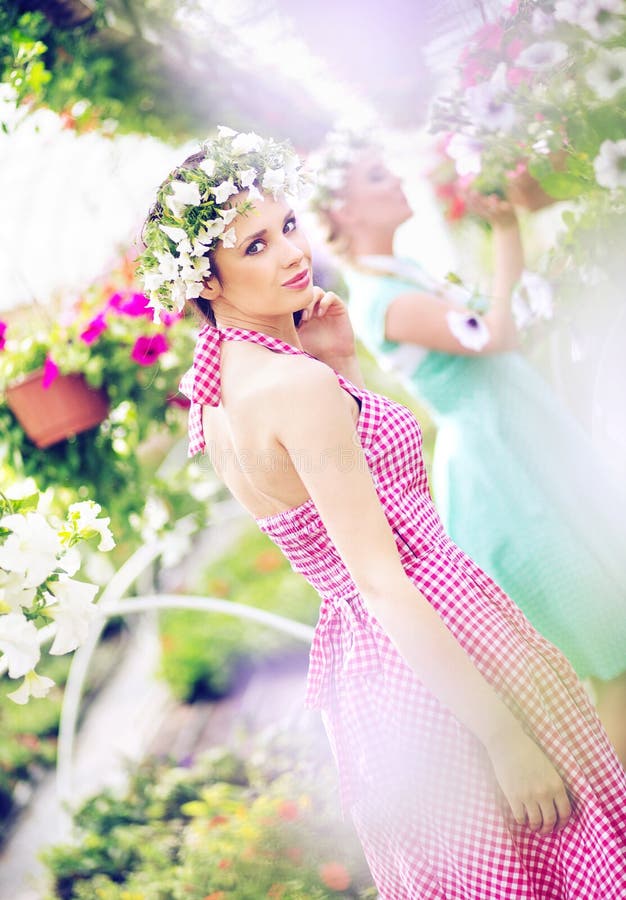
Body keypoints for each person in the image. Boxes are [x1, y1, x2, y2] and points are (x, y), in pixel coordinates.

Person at [139, 128, 626, 900]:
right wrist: (503, 737)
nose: (290, 253)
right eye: (255, 245)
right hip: (436, 642)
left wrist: (341, 367)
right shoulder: (290, 389)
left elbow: (338, 518)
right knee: (564, 862)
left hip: (371, 671)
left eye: (289, 226)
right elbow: (382, 576)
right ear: (207, 276)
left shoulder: (227, 391)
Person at [310, 131, 626, 766]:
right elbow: (497, 334)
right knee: (608, 653)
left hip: (530, 448)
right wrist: (505, 233)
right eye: (377, 176)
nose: (397, 181)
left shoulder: (402, 274)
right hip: (507, 478)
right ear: (345, 210)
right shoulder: (384, 299)